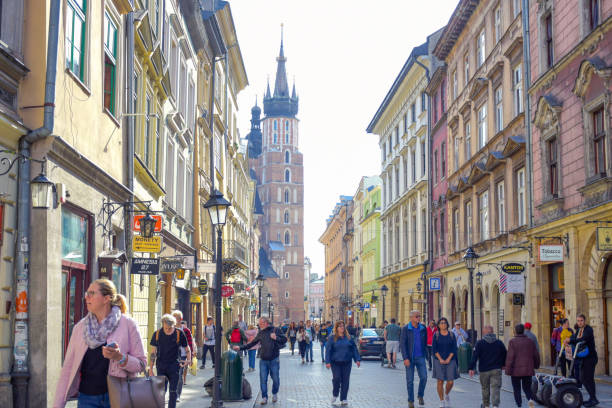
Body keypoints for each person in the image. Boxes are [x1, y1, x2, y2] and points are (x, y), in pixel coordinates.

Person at [53, 279, 146, 408]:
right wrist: (58, 405)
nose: (87, 297)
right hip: (87, 398)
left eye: (92, 293)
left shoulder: (128, 324)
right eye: (86, 293)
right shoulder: (80, 328)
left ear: (106, 298)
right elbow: (68, 369)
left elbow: (141, 364)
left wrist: (119, 357)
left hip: (118, 398)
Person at [233, 317, 287, 405]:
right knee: (263, 380)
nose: (260, 325)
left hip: (274, 360)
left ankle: (274, 393)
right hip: (263, 361)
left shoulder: (275, 330)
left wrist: (276, 337)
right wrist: (240, 347)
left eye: (261, 323)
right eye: (259, 323)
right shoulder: (260, 333)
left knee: (276, 379)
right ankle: (264, 397)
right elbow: (252, 343)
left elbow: (284, 339)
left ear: (266, 323)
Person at [149, 314, 190, 408]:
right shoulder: (157, 334)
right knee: (161, 391)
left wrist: (188, 360)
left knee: (173, 391)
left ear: (174, 325)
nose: (167, 330)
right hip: (161, 366)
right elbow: (153, 352)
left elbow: (187, 348)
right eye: (165, 328)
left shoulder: (179, 333)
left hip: (174, 366)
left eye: (170, 328)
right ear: (162, 324)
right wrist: (151, 368)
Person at [469, 325, 507, 408]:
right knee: (495, 388)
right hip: (496, 369)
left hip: (484, 370)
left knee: (485, 388)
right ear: (492, 332)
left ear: (484, 332)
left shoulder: (480, 343)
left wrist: (471, 368)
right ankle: (495, 405)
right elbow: (505, 353)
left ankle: (486, 405)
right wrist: (504, 364)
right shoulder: (499, 342)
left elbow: (475, 356)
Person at [566, 314, 598, 407]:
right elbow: (574, 337)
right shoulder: (579, 330)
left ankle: (593, 399)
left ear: (585, 321)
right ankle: (592, 398)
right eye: (578, 321)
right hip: (583, 358)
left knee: (589, 378)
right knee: (582, 378)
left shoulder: (588, 330)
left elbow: (582, 339)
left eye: (581, 321)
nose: (579, 322)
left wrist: (570, 340)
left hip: (590, 358)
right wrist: (568, 339)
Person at [325, 320, 361, 406]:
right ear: (336, 328)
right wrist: (327, 362)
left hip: (347, 362)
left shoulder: (348, 337)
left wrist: (357, 359)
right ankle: (335, 393)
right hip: (335, 363)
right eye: (340, 326)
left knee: (345, 380)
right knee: (336, 378)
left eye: (343, 326)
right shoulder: (332, 338)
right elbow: (328, 350)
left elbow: (354, 349)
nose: (342, 327)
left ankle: (344, 398)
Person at [505, 323, 539, 408]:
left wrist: (508, 370)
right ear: (523, 331)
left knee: (517, 389)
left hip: (515, 370)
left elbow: (510, 357)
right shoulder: (530, 341)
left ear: (515, 331)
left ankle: (519, 405)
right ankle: (530, 400)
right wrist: (536, 365)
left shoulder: (512, 342)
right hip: (528, 369)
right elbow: (536, 355)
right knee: (527, 388)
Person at [400, 310, 428, 408]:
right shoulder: (405, 328)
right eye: (417, 316)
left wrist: (426, 355)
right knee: (410, 380)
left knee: (424, 377)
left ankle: (420, 395)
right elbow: (402, 344)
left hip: (420, 357)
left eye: (419, 316)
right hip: (409, 358)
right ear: (411, 318)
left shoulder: (423, 328)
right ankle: (411, 401)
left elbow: (425, 343)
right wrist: (405, 358)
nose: (419, 318)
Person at [431, 317, 459, 408]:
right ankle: (442, 400)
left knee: (450, 382)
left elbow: (454, 348)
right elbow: (434, 349)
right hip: (438, 360)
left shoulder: (451, 335)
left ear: (447, 324)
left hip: (450, 360)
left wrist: (448, 359)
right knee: (440, 381)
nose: (443, 324)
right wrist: (440, 359)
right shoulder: (436, 335)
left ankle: (446, 394)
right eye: (441, 323)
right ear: (438, 325)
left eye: (445, 322)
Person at [172, 311, 194, 399]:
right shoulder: (170, 329)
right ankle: (173, 393)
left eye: (176, 318)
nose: (174, 320)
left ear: (180, 319)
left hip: (183, 355)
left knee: (179, 375)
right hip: (172, 355)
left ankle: (177, 395)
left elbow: (190, 344)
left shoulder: (185, 330)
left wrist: (190, 358)